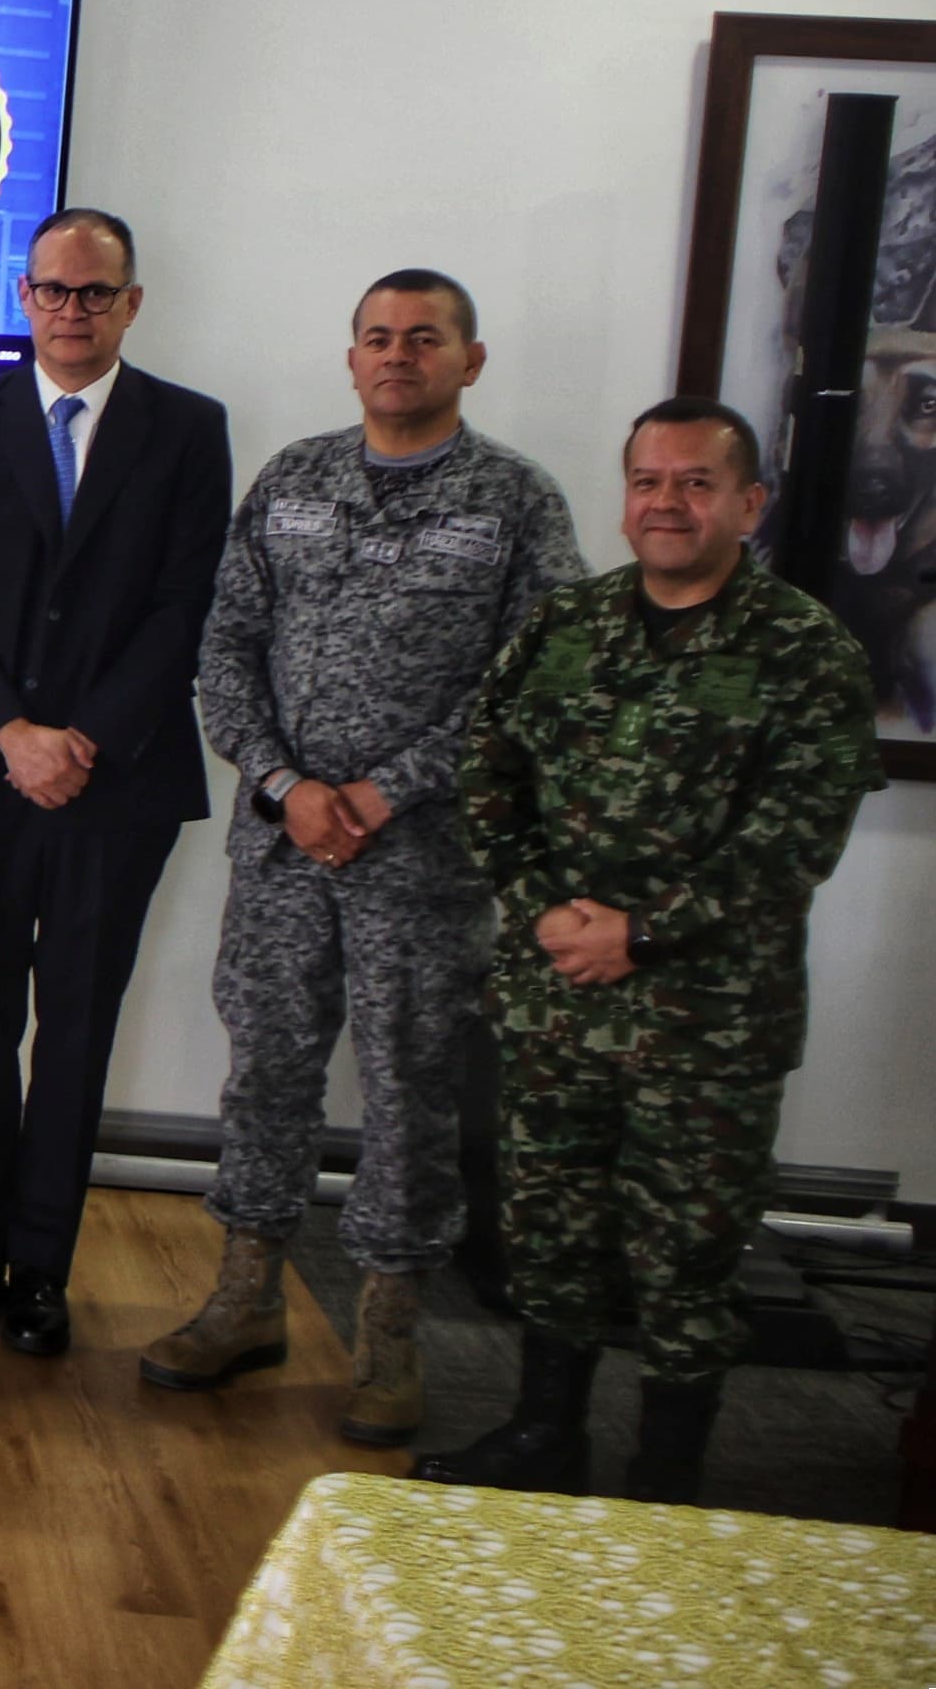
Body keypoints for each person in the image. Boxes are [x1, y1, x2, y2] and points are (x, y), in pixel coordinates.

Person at [417, 399, 881, 1504]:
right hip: (555, 1005)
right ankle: (543, 1433)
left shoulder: (804, 651)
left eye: (693, 483)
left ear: (746, 503)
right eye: (645, 482)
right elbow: (486, 781)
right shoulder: (562, 627)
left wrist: (640, 932)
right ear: (621, 498)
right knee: (547, 1232)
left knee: (687, 1258)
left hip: (706, 1019)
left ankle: (667, 1471)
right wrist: (540, 909)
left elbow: (795, 837)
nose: (665, 503)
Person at [149, 269, 583, 1444]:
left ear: (468, 360)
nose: (397, 356)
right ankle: (244, 1300)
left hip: (426, 862)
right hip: (285, 848)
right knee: (267, 1072)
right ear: (349, 359)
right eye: (377, 338)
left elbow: (534, 682)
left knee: (408, 1091)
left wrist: (386, 790)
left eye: (423, 339)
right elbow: (222, 648)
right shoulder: (290, 479)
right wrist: (289, 788)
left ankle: (388, 1338)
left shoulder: (512, 502)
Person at [0, 208, 232, 1355]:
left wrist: (79, 736)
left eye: (94, 293)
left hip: (117, 781)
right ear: (23, 296)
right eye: (51, 290)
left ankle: (40, 1269)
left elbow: (182, 606)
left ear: (129, 302)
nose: (71, 310)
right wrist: (9, 730)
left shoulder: (188, 429)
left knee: (77, 1028)